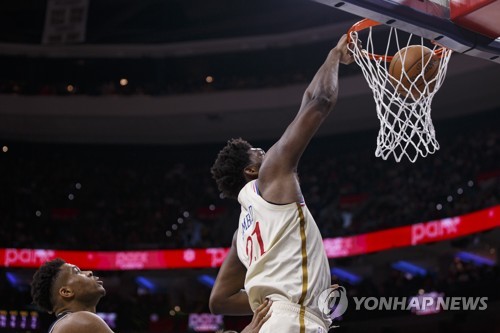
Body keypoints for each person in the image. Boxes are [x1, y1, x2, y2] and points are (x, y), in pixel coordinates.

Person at [209, 34, 355, 333]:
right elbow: (320, 101)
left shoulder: (242, 232)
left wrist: (272, 300)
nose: (268, 151)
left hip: (279, 322)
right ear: (251, 170)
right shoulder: (270, 178)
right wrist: (334, 56)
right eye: (258, 152)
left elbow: (219, 300)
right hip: (292, 321)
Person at [31, 258, 271, 333]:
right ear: (66, 292)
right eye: (77, 272)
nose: (89, 271)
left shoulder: (67, 324)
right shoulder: (80, 321)